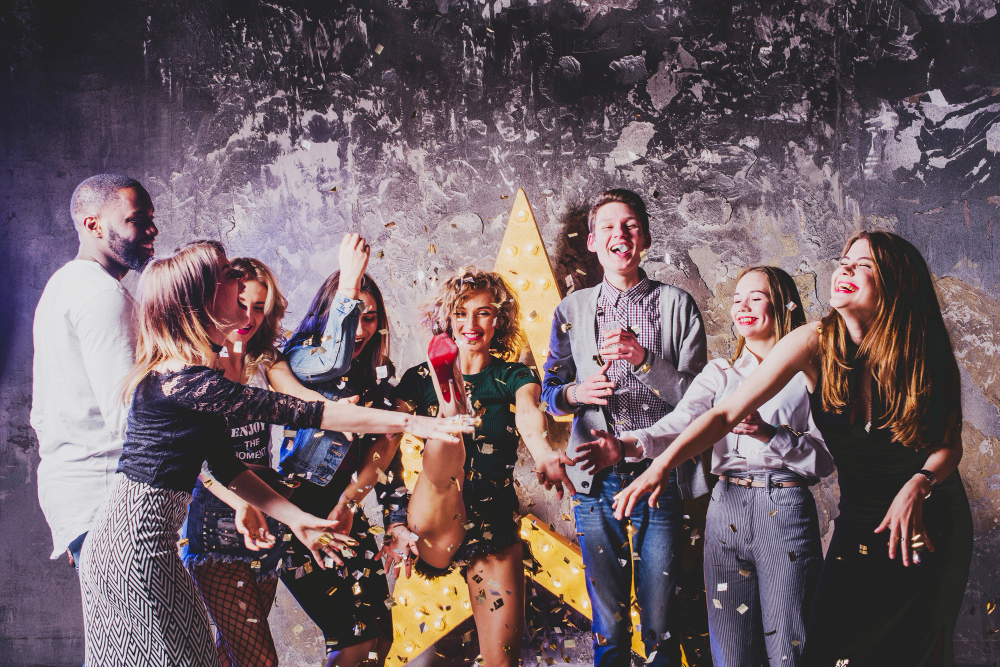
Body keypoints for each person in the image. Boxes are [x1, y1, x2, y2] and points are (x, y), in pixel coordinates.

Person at [78, 240, 472, 667]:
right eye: (227, 276)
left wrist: (296, 518)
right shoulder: (188, 383)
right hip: (132, 546)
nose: (239, 281)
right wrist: (410, 423)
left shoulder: (196, 374)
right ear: (201, 301)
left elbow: (227, 467)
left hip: (144, 542)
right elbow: (304, 411)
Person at [614, 231, 973, 666]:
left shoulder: (924, 349)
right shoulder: (813, 341)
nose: (845, 269)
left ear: (895, 283)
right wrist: (662, 464)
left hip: (927, 520)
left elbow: (948, 446)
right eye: (844, 261)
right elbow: (724, 415)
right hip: (860, 520)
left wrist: (920, 483)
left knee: (916, 654)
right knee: (827, 653)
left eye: (863, 265)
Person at [575, 266, 834, 666]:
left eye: (756, 298)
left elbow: (824, 460)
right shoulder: (719, 374)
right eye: (737, 300)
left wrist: (769, 434)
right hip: (725, 505)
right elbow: (676, 426)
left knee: (790, 646)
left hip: (783, 507)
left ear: (783, 305)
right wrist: (623, 446)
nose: (742, 307)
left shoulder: (809, 375)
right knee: (729, 650)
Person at [540, 188, 707, 666]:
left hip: (659, 475)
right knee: (609, 624)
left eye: (631, 225)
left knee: (661, 620)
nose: (621, 234)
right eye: (609, 227)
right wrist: (576, 394)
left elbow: (700, 399)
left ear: (645, 238)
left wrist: (645, 360)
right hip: (595, 479)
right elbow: (550, 392)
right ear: (593, 241)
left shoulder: (678, 305)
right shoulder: (571, 310)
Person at [396, 267, 576, 667]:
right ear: (447, 318)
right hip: (436, 517)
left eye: (483, 313)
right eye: (461, 313)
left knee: (501, 662)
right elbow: (384, 439)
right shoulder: (417, 379)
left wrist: (544, 452)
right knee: (445, 469)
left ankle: (452, 411)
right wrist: (392, 521)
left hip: (492, 518)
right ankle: (451, 409)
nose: (471, 324)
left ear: (499, 319)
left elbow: (528, 416)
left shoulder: (514, 375)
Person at [179, 256, 332, 667]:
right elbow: (197, 461)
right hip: (217, 522)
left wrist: (343, 413)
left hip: (266, 519)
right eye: (240, 304)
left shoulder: (265, 360)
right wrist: (239, 502)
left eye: (259, 307)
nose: (248, 317)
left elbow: (304, 400)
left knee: (231, 654)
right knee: (260, 661)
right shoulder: (200, 363)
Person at [278, 233, 412, 667]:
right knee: (352, 641)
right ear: (330, 312)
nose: (361, 329)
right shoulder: (301, 360)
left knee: (379, 642)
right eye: (354, 315)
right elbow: (331, 359)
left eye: (370, 318)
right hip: (299, 513)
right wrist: (350, 284)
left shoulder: (379, 379)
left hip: (346, 514)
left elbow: (389, 458)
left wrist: (395, 521)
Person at [31, 173, 158, 569]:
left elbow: (49, 411)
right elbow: (128, 415)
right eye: (138, 220)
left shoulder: (64, 283)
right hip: (107, 496)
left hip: (78, 496)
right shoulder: (102, 294)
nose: (152, 230)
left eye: (152, 219)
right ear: (94, 225)